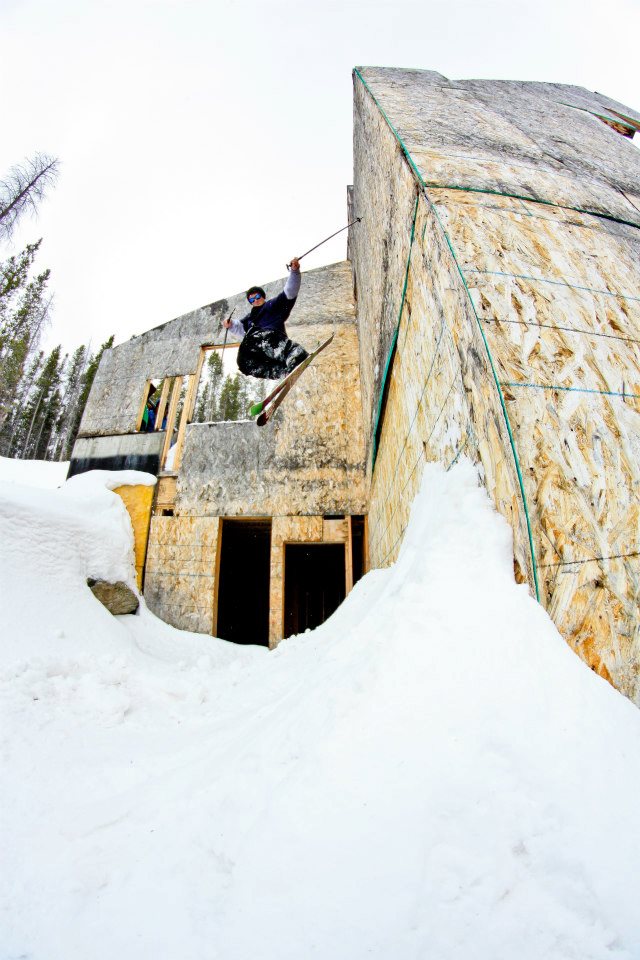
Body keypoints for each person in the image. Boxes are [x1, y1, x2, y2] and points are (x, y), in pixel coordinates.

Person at [223, 257, 309, 380]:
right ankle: (280, 372)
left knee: (257, 337)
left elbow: (289, 292)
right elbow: (239, 328)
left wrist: (294, 272)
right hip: (265, 353)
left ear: (263, 297)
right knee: (243, 361)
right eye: (252, 299)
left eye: (257, 297)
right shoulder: (249, 320)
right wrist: (230, 324)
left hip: (274, 341)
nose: (256, 300)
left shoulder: (271, 306)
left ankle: (295, 354)